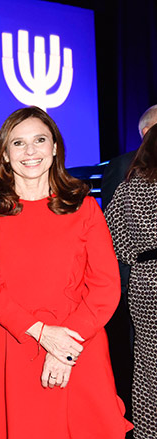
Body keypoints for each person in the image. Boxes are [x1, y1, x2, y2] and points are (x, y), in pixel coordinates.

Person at [0, 106, 132, 439]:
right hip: (8, 345)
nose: (30, 151)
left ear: (54, 148)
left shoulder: (85, 209)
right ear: (5, 156)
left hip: (79, 342)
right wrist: (42, 333)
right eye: (18, 143)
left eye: (39, 140)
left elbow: (106, 287)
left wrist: (65, 348)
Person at [105, 123, 157, 439]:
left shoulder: (130, 187)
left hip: (145, 281)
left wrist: (137, 257)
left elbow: (109, 232)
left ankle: (149, 430)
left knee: (148, 364)